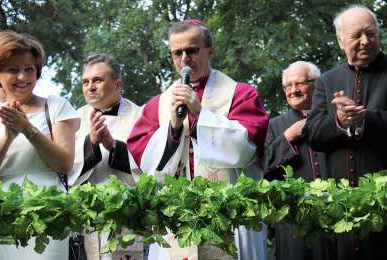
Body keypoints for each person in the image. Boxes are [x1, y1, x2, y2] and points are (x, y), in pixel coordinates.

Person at [127, 19, 269, 260]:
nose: (184, 58)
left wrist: (201, 114)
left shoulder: (240, 94)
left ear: (210, 51)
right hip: (177, 218)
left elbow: (245, 148)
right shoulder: (157, 105)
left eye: (191, 50)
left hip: (229, 217)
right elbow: (143, 160)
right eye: (177, 53)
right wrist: (172, 128)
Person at [303, 5, 387, 260]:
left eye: (370, 34)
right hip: (342, 211)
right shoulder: (327, 81)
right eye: (356, 36)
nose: (365, 41)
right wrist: (339, 121)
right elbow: (313, 134)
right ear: (340, 41)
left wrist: (366, 119)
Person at [0, 30, 80, 259]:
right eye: (13, 70)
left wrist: (28, 129)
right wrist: (7, 138)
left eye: (29, 69)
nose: (23, 77)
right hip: (1, 220)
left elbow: (64, 163)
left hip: (48, 218)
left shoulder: (56, 106)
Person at [68, 53, 143, 260]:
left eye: (98, 80)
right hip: (86, 220)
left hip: (127, 220)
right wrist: (90, 144)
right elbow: (63, 168)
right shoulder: (72, 120)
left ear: (118, 84)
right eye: (85, 82)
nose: (90, 87)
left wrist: (113, 146)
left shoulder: (141, 117)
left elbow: (150, 167)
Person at [264, 61, 330, 260]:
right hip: (293, 225)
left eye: (300, 83)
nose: (293, 90)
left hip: (333, 215)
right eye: (288, 86)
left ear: (316, 84)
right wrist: (287, 138)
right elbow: (263, 167)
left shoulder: (332, 117)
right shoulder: (274, 125)